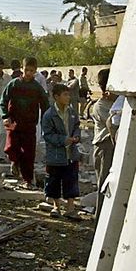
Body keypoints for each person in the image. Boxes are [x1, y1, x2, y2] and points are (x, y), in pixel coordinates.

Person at [0, 57, 49, 188]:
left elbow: (45, 105)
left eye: (31, 71)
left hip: (29, 124)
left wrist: (46, 120)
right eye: (26, 70)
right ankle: (14, 162)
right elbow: (3, 101)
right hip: (14, 122)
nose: (28, 73)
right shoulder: (14, 84)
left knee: (28, 153)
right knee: (11, 147)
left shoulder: (37, 88)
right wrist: (5, 116)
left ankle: (27, 179)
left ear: (35, 71)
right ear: (22, 68)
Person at [42, 83, 81, 218]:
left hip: (70, 153)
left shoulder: (72, 112)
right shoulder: (49, 115)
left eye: (68, 94)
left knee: (71, 179)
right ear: (56, 97)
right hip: (56, 155)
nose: (68, 97)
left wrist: (76, 136)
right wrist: (63, 140)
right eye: (65, 95)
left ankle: (70, 208)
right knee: (54, 181)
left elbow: (76, 126)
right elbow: (47, 135)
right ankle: (56, 207)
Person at [90, 68, 118, 216]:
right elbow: (113, 124)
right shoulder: (100, 106)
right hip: (105, 147)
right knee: (104, 186)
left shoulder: (117, 103)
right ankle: (99, 222)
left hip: (112, 146)